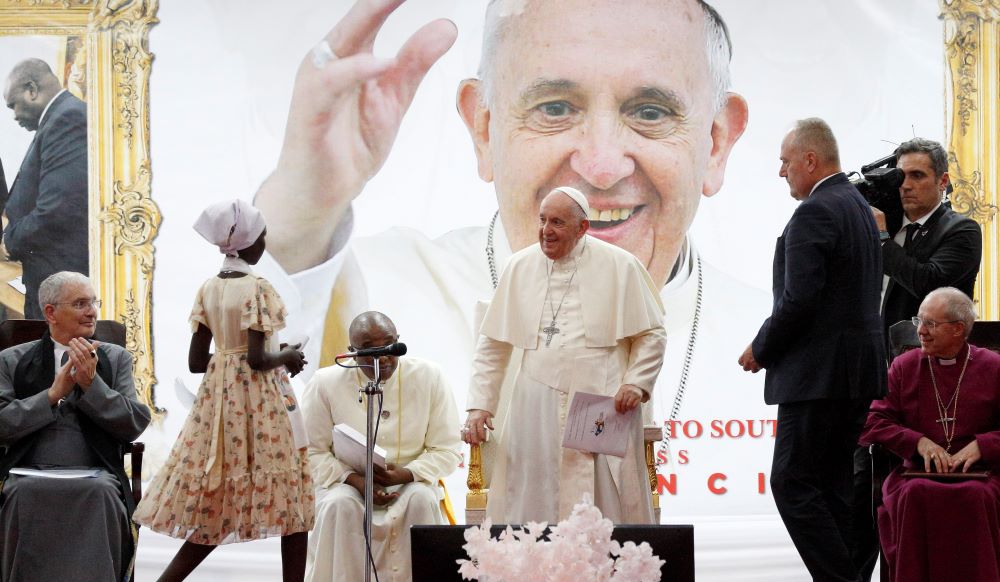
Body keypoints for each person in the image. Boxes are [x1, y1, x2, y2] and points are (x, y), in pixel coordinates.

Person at [251, 0, 767, 521]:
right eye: (556, 108)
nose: (603, 166)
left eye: (650, 112)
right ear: (484, 129)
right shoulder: (372, 289)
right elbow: (247, 448)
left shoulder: (790, 338)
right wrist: (302, 213)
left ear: (717, 142)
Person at [123, 200, 335, 582]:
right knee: (295, 504)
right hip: (260, 405)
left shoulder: (209, 288)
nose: (265, 243)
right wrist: (290, 357)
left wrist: (232, 358)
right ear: (250, 243)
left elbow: (198, 361)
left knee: (218, 506)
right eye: (262, 237)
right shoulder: (258, 288)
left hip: (220, 404)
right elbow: (260, 359)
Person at [738, 118, 888, 582]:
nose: (780, 172)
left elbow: (800, 301)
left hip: (819, 375)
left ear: (809, 160)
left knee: (793, 483)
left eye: (785, 161)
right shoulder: (855, 207)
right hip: (852, 372)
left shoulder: (816, 212)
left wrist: (761, 347)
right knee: (827, 489)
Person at [463, 187, 665, 524]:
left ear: (583, 227)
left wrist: (637, 382)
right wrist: (480, 405)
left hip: (602, 395)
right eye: (542, 220)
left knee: (602, 496)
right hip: (535, 400)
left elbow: (652, 333)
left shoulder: (620, 265)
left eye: (557, 222)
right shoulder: (519, 266)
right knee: (534, 492)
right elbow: (493, 344)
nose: (546, 231)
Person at [0, 271, 150, 582]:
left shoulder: (114, 359)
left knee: (100, 493)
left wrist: (91, 385)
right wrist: (51, 395)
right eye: (80, 304)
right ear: (50, 312)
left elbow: (134, 422)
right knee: (21, 492)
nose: (92, 312)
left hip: (93, 470)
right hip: (28, 469)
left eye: (93, 302)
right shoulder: (12, 360)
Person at [301, 311, 461, 582]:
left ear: (399, 340)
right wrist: (356, 480)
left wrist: (407, 473)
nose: (381, 357)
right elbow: (310, 453)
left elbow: (447, 450)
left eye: (388, 346)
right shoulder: (326, 382)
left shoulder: (429, 376)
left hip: (408, 483)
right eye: (369, 350)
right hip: (348, 483)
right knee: (339, 507)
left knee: (420, 500)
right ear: (351, 351)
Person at [860, 288, 1000, 582]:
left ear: (959, 329)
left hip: (982, 476)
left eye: (930, 324)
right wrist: (916, 441)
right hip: (913, 476)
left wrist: (983, 445)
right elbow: (873, 420)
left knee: (975, 498)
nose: (920, 331)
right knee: (916, 496)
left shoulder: (993, 367)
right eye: (918, 321)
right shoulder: (904, 366)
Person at [1, 59, 88, 319]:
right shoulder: (58, 119)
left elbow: (57, 208)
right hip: (50, 282)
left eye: (13, 104)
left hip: (59, 285)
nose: (14, 115)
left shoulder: (67, 118)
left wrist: (8, 242)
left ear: (31, 89)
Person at [877, 138, 982, 338]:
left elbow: (929, 284)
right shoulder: (887, 224)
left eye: (917, 176)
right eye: (900, 177)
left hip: (929, 356)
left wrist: (881, 240)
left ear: (943, 181)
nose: (906, 185)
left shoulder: (962, 230)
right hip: (873, 353)